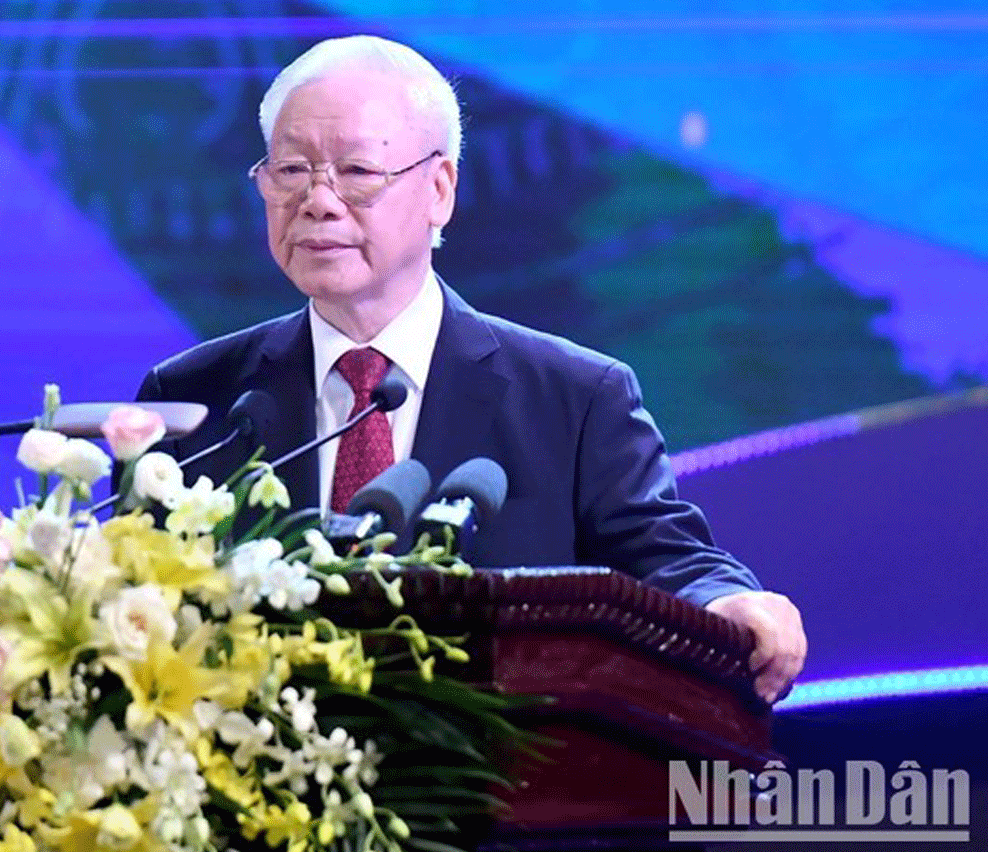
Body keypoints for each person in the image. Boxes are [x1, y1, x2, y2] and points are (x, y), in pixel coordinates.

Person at [135, 35, 805, 704]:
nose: (317, 200)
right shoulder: (194, 400)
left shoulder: (576, 400)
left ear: (439, 190)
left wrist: (730, 603)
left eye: (358, 172)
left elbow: (669, 559)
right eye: (290, 171)